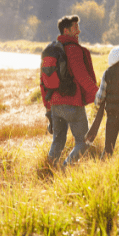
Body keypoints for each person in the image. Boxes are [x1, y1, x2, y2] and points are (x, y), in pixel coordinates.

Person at [40, 15, 99, 168]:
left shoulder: (51, 50)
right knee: (84, 141)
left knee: (58, 141)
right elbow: (81, 76)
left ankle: (49, 171)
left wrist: (48, 105)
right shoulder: (73, 49)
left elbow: (43, 81)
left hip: (55, 105)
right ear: (66, 30)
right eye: (75, 28)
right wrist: (98, 93)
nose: (78, 31)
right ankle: (65, 169)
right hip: (72, 103)